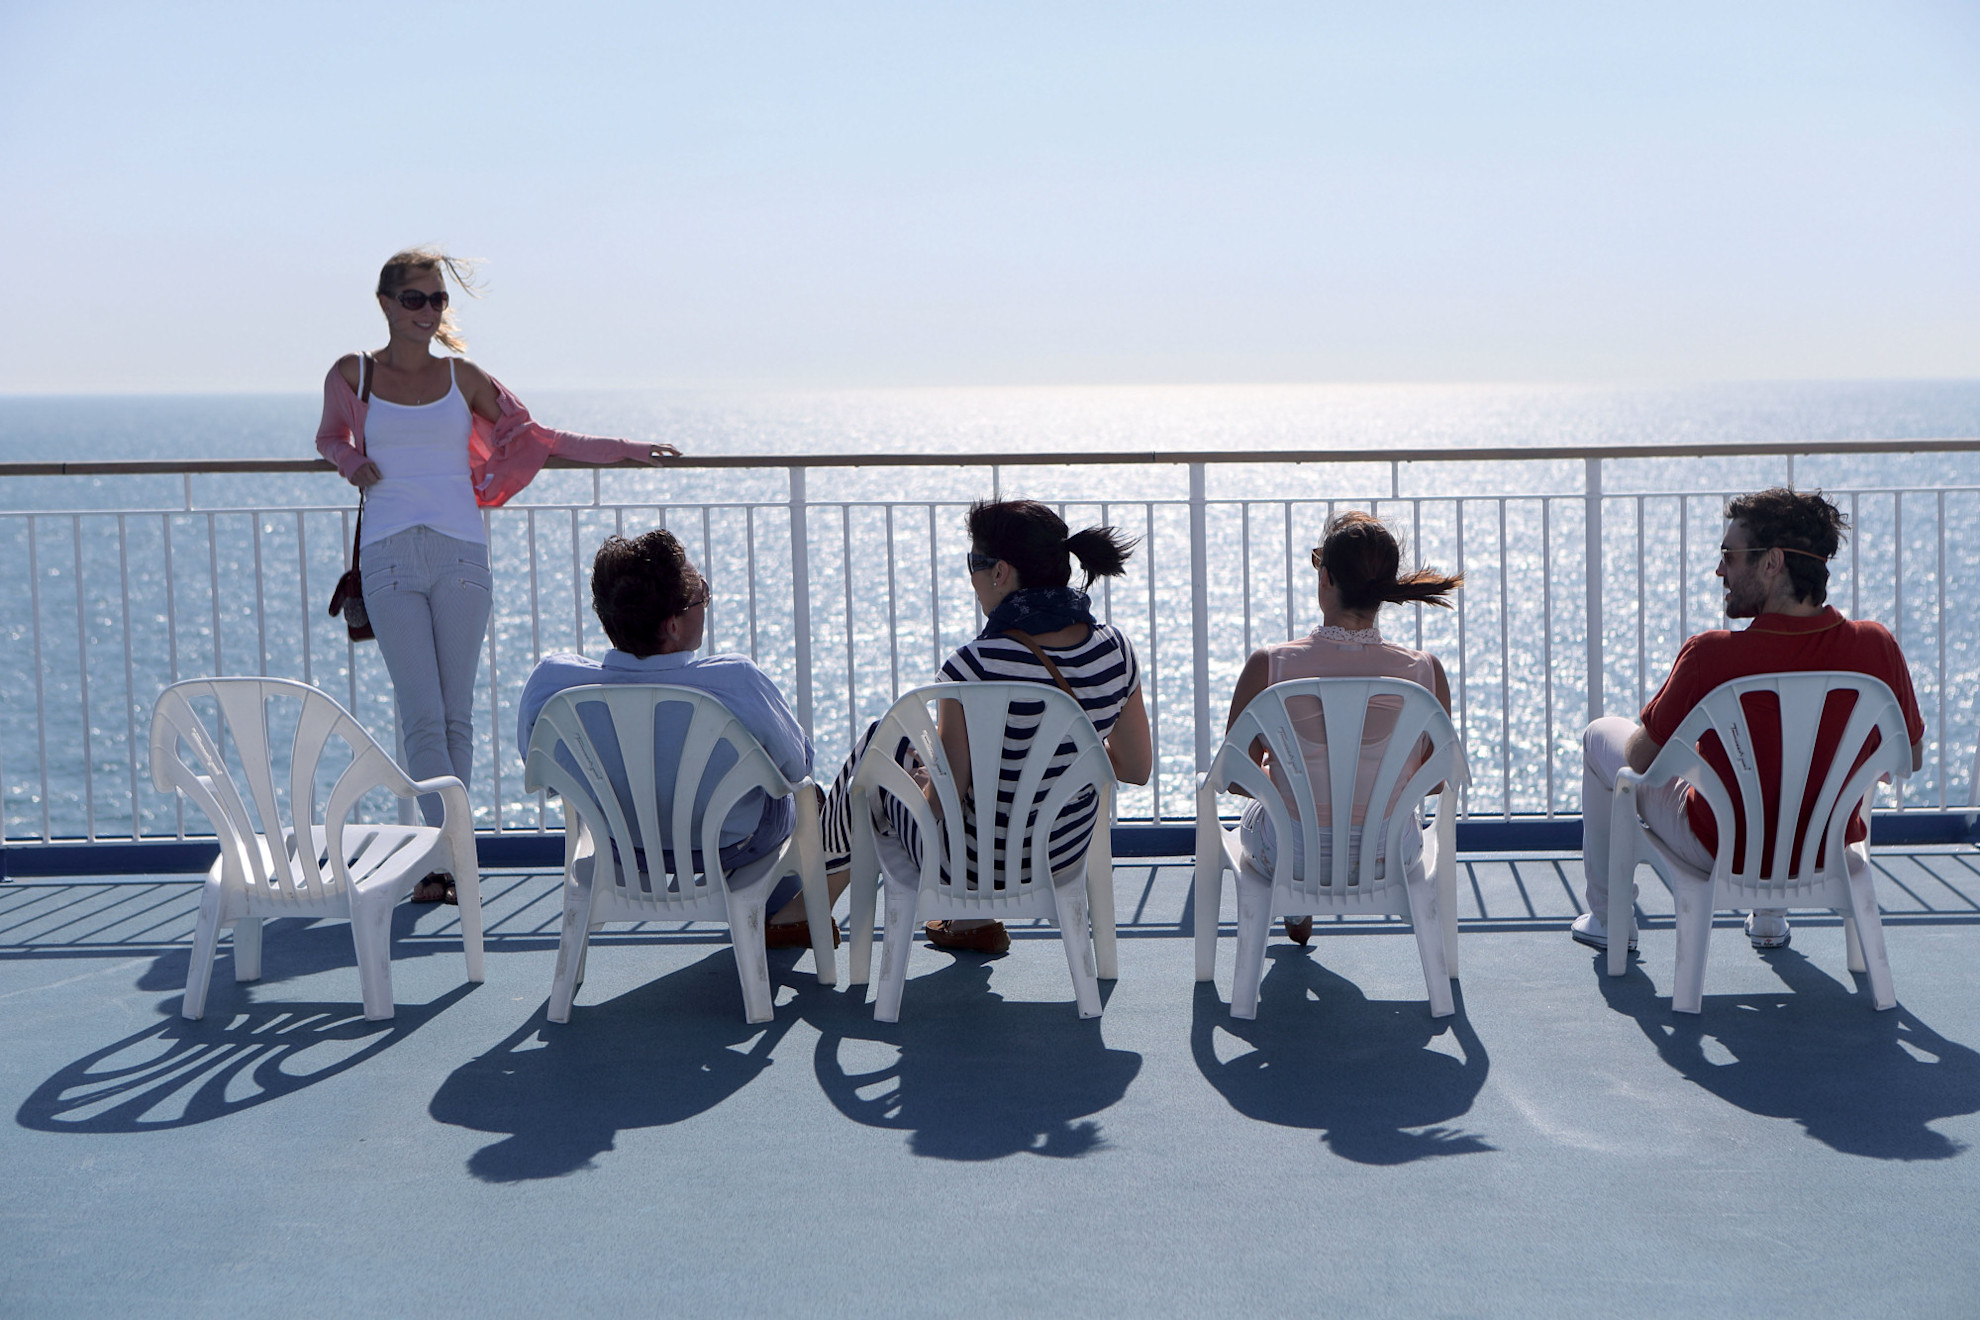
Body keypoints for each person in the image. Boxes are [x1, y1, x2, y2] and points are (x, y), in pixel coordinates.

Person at [315, 248, 677, 903]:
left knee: (455, 717)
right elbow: (330, 437)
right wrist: (350, 462)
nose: (428, 311)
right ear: (386, 303)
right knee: (422, 715)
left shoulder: (465, 377)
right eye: (415, 298)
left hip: (461, 557)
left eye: (438, 299)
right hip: (389, 559)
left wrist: (627, 448)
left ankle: (444, 862)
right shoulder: (353, 373)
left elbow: (540, 437)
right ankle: (450, 855)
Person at [792, 499, 1154, 955]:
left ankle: (808, 908)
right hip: (1062, 854)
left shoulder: (972, 668)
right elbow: (1136, 769)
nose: (972, 578)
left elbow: (942, 800)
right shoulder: (1115, 650)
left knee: (879, 746)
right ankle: (968, 923)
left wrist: (922, 783)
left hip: (970, 867)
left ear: (1000, 572)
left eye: (973, 564)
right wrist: (1066, 749)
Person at [1573, 487, 1925, 953]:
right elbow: (1909, 759)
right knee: (1797, 770)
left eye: (1729, 556)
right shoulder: (1876, 647)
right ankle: (1769, 918)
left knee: (1599, 737)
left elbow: (1639, 760)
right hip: (1826, 850)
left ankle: (1607, 918)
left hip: (1720, 848)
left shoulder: (1711, 656)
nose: (1720, 570)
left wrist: (1689, 752)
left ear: (1772, 562)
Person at [515, 529, 815, 918]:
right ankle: (781, 918)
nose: (705, 604)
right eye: (701, 596)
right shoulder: (735, 681)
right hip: (731, 845)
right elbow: (798, 766)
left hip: (620, 844)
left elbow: (540, 768)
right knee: (804, 798)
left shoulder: (553, 683)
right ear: (672, 626)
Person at [1221, 510, 1461, 944]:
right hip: (1390, 854)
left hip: (1292, 857)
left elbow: (1234, 778)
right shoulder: (1426, 672)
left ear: (1326, 577)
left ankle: (1296, 903)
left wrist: (1283, 773)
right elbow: (1436, 781)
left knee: (1272, 809)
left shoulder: (1270, 666)